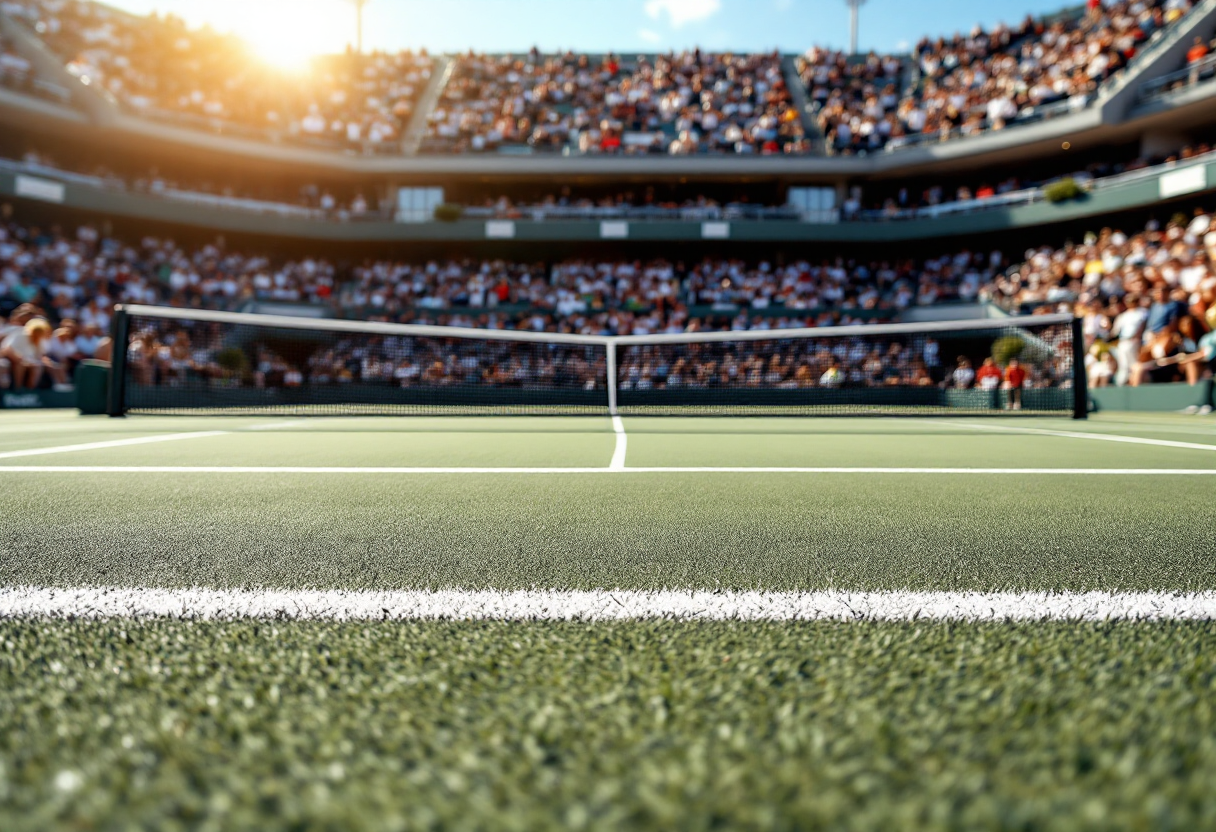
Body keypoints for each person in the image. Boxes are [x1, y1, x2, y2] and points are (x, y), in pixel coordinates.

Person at [0, 319, 71, 390]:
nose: (37, 334)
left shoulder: (40, 340)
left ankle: (31, 390)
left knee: (42, 367)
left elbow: (40, 356)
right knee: (20, 366)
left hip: (30, 361)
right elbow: (8, 349)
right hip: (13, 359)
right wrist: (19, 359)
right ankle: (18, 388)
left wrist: (49, 363)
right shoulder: (20, 335)